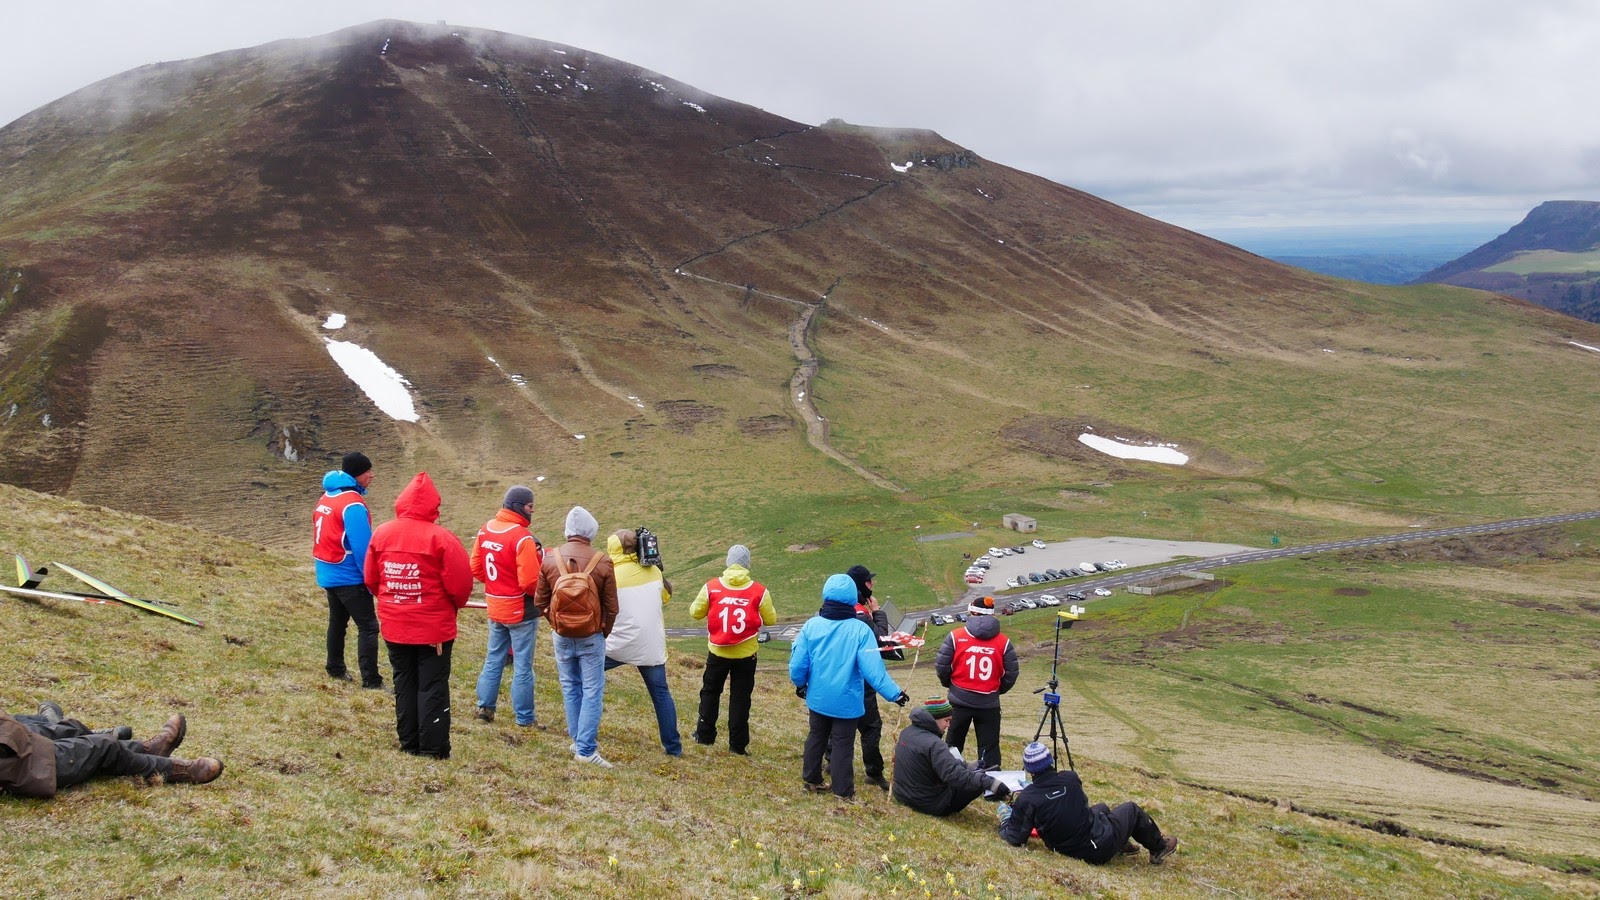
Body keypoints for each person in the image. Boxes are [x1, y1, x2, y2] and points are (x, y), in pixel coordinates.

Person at [365, 472, 473, 759]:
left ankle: (409, 742)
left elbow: (371, 579)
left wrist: (394, 599)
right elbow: (460, 586)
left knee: (404, 683)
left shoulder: (382, 533)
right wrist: (451, 606)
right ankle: (433, 748)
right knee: (432, 686)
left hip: (395, 625)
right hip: (433, 629)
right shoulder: (442, 538)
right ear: (433, 506)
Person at [789, 573, 908, 800]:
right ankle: (843, 792)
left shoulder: (811, 625)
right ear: (852, 597)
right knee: (844, 743)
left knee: (816, 736)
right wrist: (895, 694)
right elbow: (874, 671)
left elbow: (797, 662)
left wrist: (800, 684)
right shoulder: (861, 630)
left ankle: (812, 780)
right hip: (847, 701)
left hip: (818, 697)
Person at [998, 741, 1179, 865]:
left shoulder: (1028, 797)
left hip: (1063, 847)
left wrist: (1006, 818)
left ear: (1029, 769)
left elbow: (1015, 837)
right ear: (1050, 761)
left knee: (1101, 808)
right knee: (1131, 809)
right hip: (1095, 847)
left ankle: (1121, 844)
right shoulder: (1070, 778)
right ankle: (1158, 848)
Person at [534, 506, 619, 768]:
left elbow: (540, 601)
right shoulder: (602, 561)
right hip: (592, 634)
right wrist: (602, 631)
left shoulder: (550, 559)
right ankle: (585, 749)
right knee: (592, 690)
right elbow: (612, 606)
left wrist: (556, 624)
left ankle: (577, 739)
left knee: (570, 685)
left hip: (561, 634)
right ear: (591, 532)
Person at [1, 704, 222, 797]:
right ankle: (178, 770)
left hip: (16, 740)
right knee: (103, 747)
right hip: (24, 763)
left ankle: (149, 748)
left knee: (69, 728)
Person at [470, 485, 545, 728]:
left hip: (495, 606)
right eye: (530, 506)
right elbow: (530, 581)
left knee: (494, 658)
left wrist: (497, 583)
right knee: (523, 665)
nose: (532, 511)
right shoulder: (522, 537)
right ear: (519, 506)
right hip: (521, 610)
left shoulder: (485, 530)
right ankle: (524, 718)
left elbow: (476, 568)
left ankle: (485, 708)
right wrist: (541, 598)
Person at [690, 544, 776, 755]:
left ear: (728, 562)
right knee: (740, 698)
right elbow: (771, 620)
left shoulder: (711, 587)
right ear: (748, 565)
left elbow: (695, 612)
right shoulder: (759, 591)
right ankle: (737, 745)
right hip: (746, 654)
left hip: (717, 651)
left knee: (710, 692)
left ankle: (704, 734)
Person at [603, 528, 681, 756]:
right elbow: (666, 597)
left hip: (617, 645)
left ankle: (583, 731)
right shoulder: (654, 572)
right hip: (650, 647)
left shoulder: (610, 574)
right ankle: (673, 747)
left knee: (586, 677)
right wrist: (658, 567)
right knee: (661, 694)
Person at [312, 450, 383, 688]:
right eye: (368, 471)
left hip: (328, 571)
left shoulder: (327, 496)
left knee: (338, 622)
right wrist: (371, 578)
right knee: (369, 627)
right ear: (357, 474)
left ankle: (335, 668)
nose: (372, 475)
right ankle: (371, 681)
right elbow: (363, 546)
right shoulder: (352, 503)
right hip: (348, 575)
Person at [934, 595, 1019, 770]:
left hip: (959, 700)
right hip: (989, 704)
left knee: (953, 743)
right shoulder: (1004, 642)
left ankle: (949, 779)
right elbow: (1011, 674)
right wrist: (995, 690)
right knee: (989, 747)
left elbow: (942, 666)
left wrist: (950, 684)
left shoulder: (955, 636)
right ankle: (992, 787)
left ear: (972, 611)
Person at [891, 696, 1012, 816]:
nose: (949, 725)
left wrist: (966, 766)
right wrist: (990, 782)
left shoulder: (906, 732)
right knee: (976, 783)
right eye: (947, 720)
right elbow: (955, 776)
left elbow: (933, 763)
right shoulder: (935, 744)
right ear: (934, 719)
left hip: (902, 794)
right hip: (928, 804)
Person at [846, 564, 902, 791]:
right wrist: (878, 612)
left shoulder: (835, 606)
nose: (873, 584)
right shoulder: (860, 612)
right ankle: (873, 772)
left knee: (837, 722)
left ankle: (830, 762)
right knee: (870, 727)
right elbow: (880, 639)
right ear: (861, 585)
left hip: (837, 674)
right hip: (862, 677)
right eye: (869, 582)